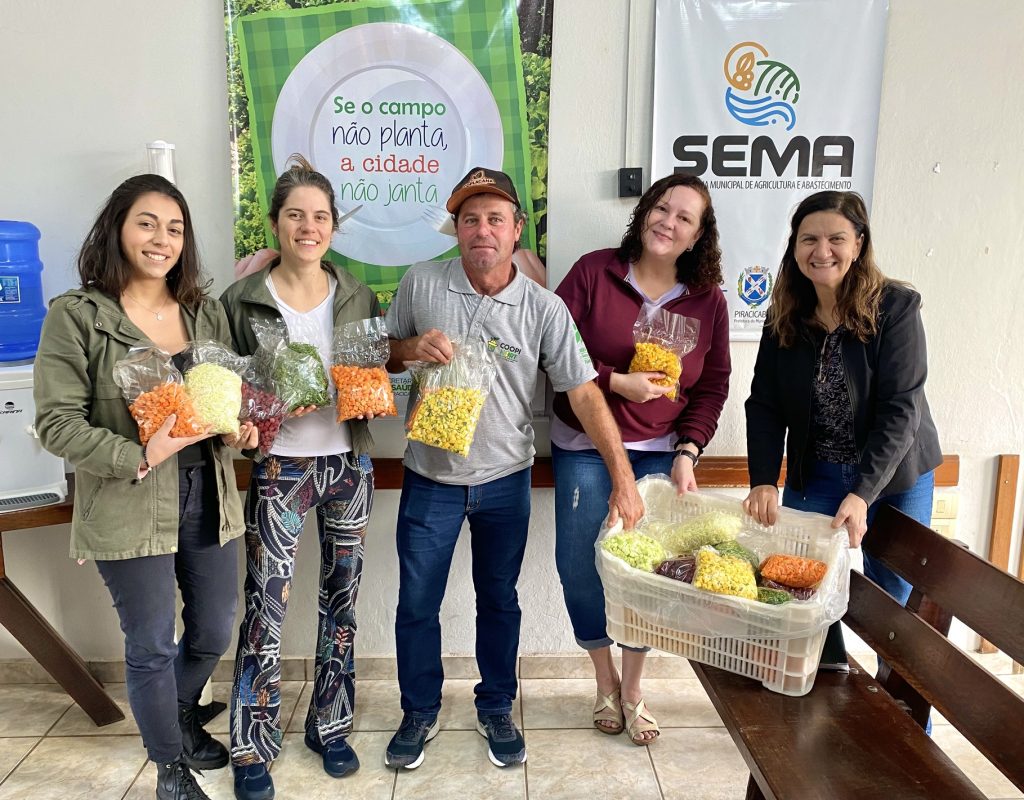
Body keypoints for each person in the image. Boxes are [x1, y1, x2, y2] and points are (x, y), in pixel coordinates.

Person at [382, 167, 644, 770]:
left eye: (495, 218)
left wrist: (623, 478)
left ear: (516, 230)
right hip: (430, 478)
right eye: (470, 218)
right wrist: (408, 350)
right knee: (417, 602)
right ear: (456, 228)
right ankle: (418, 709)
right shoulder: (421, 285)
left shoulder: (543, 309)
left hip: (506, 481)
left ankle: (496, 704)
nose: (482, 230)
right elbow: (383, 354)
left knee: (498, 599)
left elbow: (582, 392)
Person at [34, 175, 255, 800]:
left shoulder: (204, 312)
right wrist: (137, 455)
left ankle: (178, 711)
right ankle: (169, 766)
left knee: (214, 627)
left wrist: (238, 430)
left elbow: (220, 400)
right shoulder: (78, 316)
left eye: (175, 228)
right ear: (117, 229)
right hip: (129, 500)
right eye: (147, 224)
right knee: (152, 643)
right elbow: (55, 423)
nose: (162, 240)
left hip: (208, 495)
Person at [551, 173, 731, 745]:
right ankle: (602, 681)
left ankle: (632, 688)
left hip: (659, 455)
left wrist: (688, 450)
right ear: (644, 212)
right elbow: (550, 355)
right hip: (583, 444)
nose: (668, 221)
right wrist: (614, 382)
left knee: (645, 573)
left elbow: (713, 385)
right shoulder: (592, 272)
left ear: (698, 236)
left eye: (685, 217)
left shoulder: (709, 301)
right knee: (582, 566)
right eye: (661, 208)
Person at [220, 156, 379, 800]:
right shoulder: (243, 299)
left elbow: (370, 370)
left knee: (342, 599)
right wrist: (250, 416)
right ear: (276, 224)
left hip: (348, 464)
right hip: (280, 468)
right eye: (295, 216)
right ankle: (252, 745)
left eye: (320, 216)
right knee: (266, 604)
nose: (308, 227)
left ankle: (330, 723)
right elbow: (222, 384)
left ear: (334, 228)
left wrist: (363, 392)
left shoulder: (358, 294)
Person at [743, 191, 942, 662]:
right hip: (818, 472)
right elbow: (765, 405)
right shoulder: (784, 316)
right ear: (794, 247)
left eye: (836, 238)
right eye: (809, 238)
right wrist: (764, 479)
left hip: (894, 476)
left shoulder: (896, 308)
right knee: (796, 585)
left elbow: (901, 409)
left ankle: (904, 713)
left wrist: (864, 492)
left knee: (895, 600)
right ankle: (821, 682)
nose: (822, 250)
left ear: (859, 243)